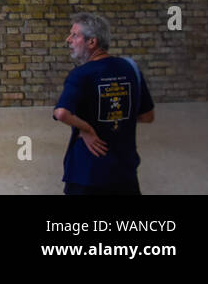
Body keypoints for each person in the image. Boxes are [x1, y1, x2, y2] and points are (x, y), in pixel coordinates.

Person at [53, 13, 154, 195]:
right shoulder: (131, 67)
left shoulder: (80, 75)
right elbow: (147, 116)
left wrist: (87, 128)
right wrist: (116, 117)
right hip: (125, 172)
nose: (68, 40)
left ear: (92, 42)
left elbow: (61, 113)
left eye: (74, 35)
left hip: (87, 173)